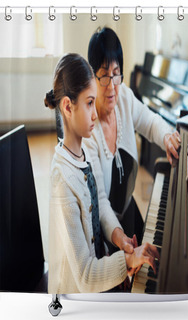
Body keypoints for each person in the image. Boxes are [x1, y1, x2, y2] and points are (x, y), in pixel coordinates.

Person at [45, 53, 159, 294]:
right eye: (89, 103)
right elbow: (86, 276)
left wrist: (120, 240)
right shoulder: (63, 182)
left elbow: (98, 207)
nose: (95, 114)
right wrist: (127, 261)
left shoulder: (80, 156)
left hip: (94, 280)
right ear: (67, 106)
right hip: (74, 296)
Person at [85, 27, 181, 245]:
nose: (111, 87)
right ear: (92, 76)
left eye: (116, 74)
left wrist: (167, 136)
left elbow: (150, 121)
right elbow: (99, 201)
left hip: (127, 208)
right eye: (103, 76)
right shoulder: (88, 129)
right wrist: (121, 241)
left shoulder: (124, 97)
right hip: (102, 230)